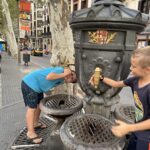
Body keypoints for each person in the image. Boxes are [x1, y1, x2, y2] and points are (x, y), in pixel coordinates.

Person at [89, 46, 150, 150]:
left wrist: (128, 127)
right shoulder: (135, 80)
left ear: (147, 69)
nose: (130, 68)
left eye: (134, 66)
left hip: (146, 137)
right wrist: (101, 78)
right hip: (136, 129)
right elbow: (116, 84)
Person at [21, 66, 77, 144]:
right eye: (71, 76)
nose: (70, 79)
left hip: (38, 88)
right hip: (30, 84)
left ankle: (35, 123)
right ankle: (30, 133)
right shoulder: (61, 70)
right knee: (32, 108)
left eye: (72, 80)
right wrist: (64, 73)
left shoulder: (63, 79)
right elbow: (49, 77)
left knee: (39, 105)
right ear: (70, 72)